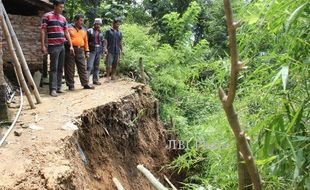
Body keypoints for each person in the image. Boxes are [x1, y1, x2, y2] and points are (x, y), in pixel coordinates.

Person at [40, 0, 74, 97]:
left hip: (62, 45)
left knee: (60, 68)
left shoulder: (63, 18)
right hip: (53, 46)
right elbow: (43, 31)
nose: (61, 9)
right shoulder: (47, 16)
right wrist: (43, 45)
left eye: (62, 7)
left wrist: (71, 45)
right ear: (54, 6)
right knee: (53, 68)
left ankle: (58, 87)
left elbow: (66, 32)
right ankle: (53, 89)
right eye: (60, 7)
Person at [64, 14, 94, 90]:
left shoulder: (84, 30)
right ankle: (71, 85)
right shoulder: (69, 27)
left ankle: (85, 83)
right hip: (70, 49)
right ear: (75, 20)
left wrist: (87, 51)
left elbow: (86, 41)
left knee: (82, 67)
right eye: (80, 20)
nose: (82, 22)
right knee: (70, 67)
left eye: (82, 20)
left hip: (80, 50)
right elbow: (65, 37)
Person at [87, 18, 105, 85]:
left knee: (96, 66)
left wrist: (103, 50)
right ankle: (86, 81)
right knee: (89, 66)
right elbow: (86, 41)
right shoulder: (89, 31)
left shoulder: (101, 32)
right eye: (97, 24)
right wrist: (86, 50)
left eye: (99, 24)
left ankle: (95, 80)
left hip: (99, 50)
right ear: (94, 24)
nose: (98, 25)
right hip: (91, 50)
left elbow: (102, 42)